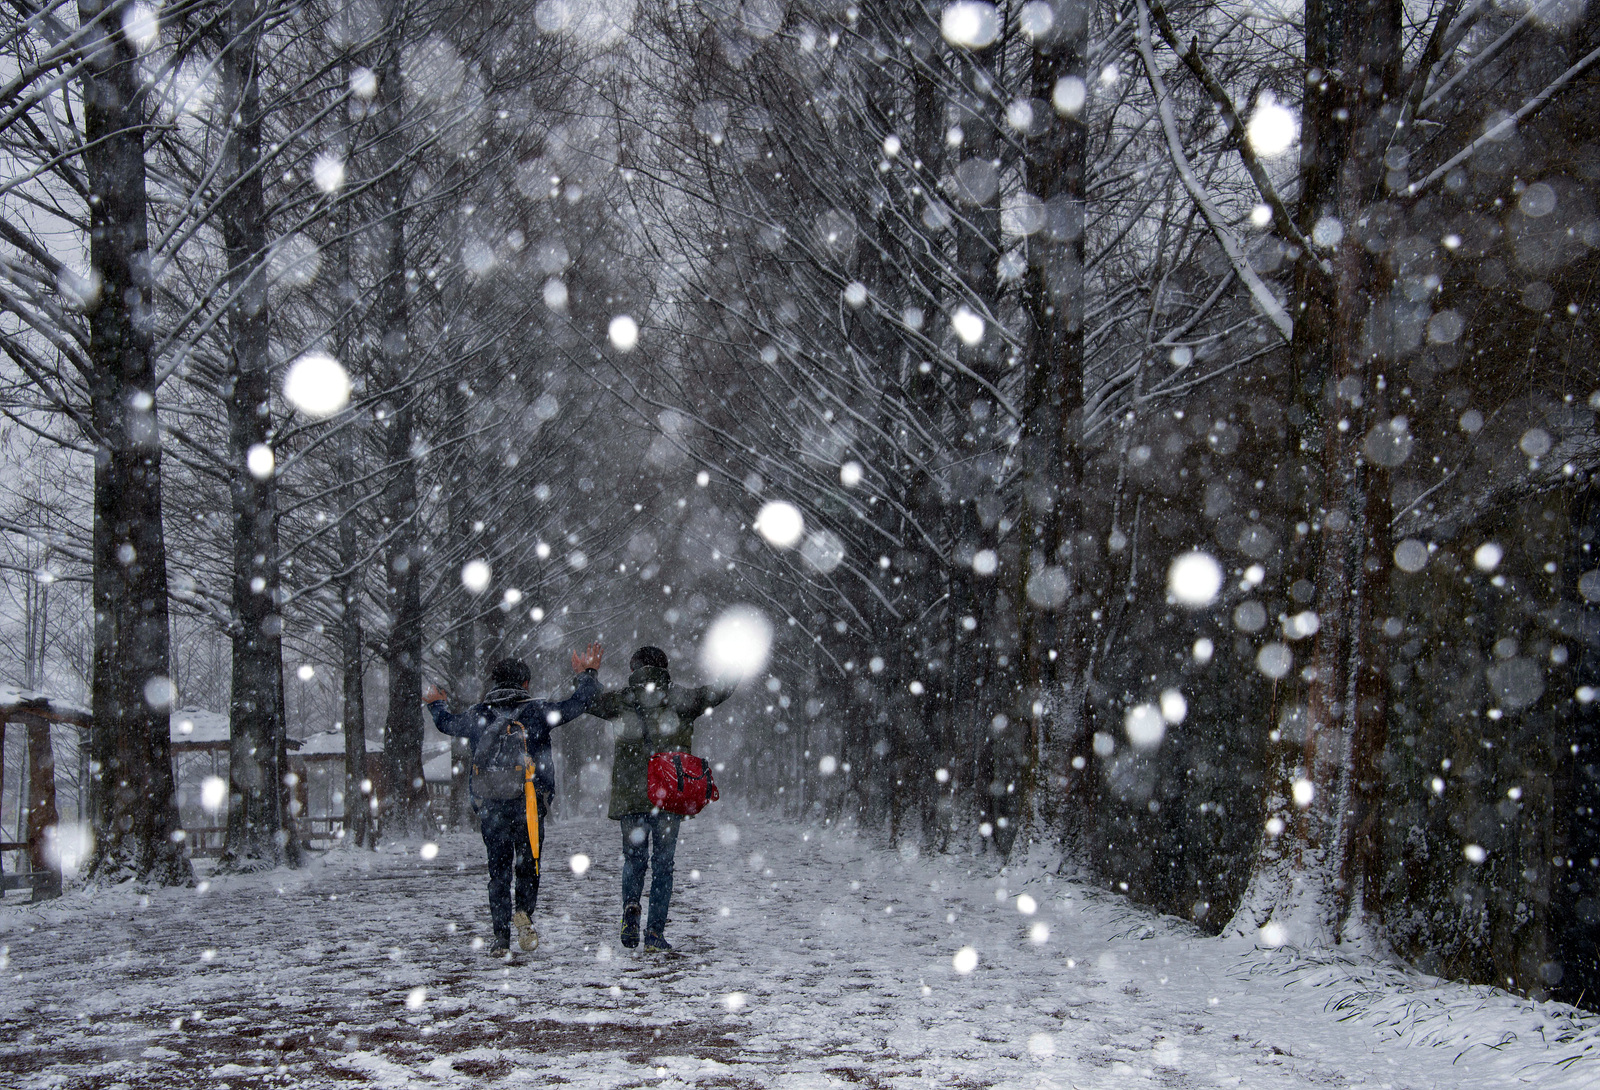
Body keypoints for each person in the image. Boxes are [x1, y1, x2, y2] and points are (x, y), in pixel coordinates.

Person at [424, 644, 602, 957]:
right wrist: (587, 674)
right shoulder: (538, 711)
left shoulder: (479, 714)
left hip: (491, 804)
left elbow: (446, 724)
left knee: (498, 871)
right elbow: (579, 704)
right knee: (529, 864)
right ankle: (524, 913)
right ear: (526, 683)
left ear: (494, 682)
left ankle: (500, 937)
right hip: (530, 803)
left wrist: (436, 704)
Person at [586, 645, 734, 953]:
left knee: (634, 860)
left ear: (633, 669)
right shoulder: (681, 699)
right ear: (665, 668)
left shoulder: (622, 700)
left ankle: (631, 907)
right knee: (663, 865)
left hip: (631, 797)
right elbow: (718, 692)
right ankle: (654, 934)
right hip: (669, 796)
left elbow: (588, 699)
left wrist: (588, 673)